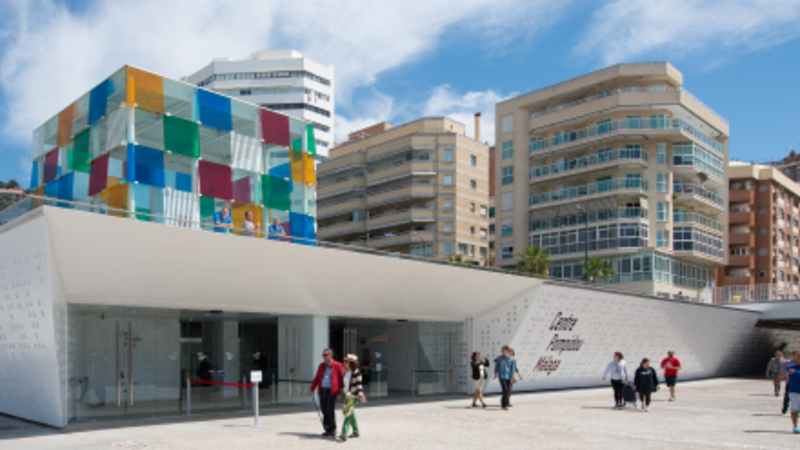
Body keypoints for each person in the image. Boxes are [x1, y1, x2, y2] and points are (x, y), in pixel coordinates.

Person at [310, 349, 344, 437]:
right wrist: (312, 388)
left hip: (332, 391)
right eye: (323, 355)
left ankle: (333, 428)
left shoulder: (338, 365)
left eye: (325, 355)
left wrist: (341, 389)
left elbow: (341, 378)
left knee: (329, 409)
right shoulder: (321, 366)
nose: (324, 357)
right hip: (323, 390)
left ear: (331, 355)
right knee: (324, 409)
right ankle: (327, 428)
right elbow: (317, 378)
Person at [340, 354, 366, 441]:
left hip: (353, 397)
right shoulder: (346, 372)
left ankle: (344, 433)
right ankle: (356, 432)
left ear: (351, 363)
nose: (345, 363)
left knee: (348, 414)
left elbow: (359, 385)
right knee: (351, 415)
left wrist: (361, 395)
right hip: (346, 396)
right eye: (345, 361)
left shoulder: (357, 373)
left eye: (346, 361)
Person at [780, 350, 800, 434]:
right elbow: (781, 375)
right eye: (798, 357)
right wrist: (788, 372)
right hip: (794, 391)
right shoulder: (790, 367)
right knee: (794, 410)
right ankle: (795, 426)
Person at [493, 345, 517, 410]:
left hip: (508, 376)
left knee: (507, 390)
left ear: (507, 351)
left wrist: (512, 377)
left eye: (503, 351)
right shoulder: (499, 358)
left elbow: (513, 369)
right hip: (501, 376)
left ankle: (503, 403)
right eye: (501, 351)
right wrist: (495, 374)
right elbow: (496, 367)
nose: (502, 352)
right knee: (505, 389)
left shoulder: (512, 359)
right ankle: (505, 405)